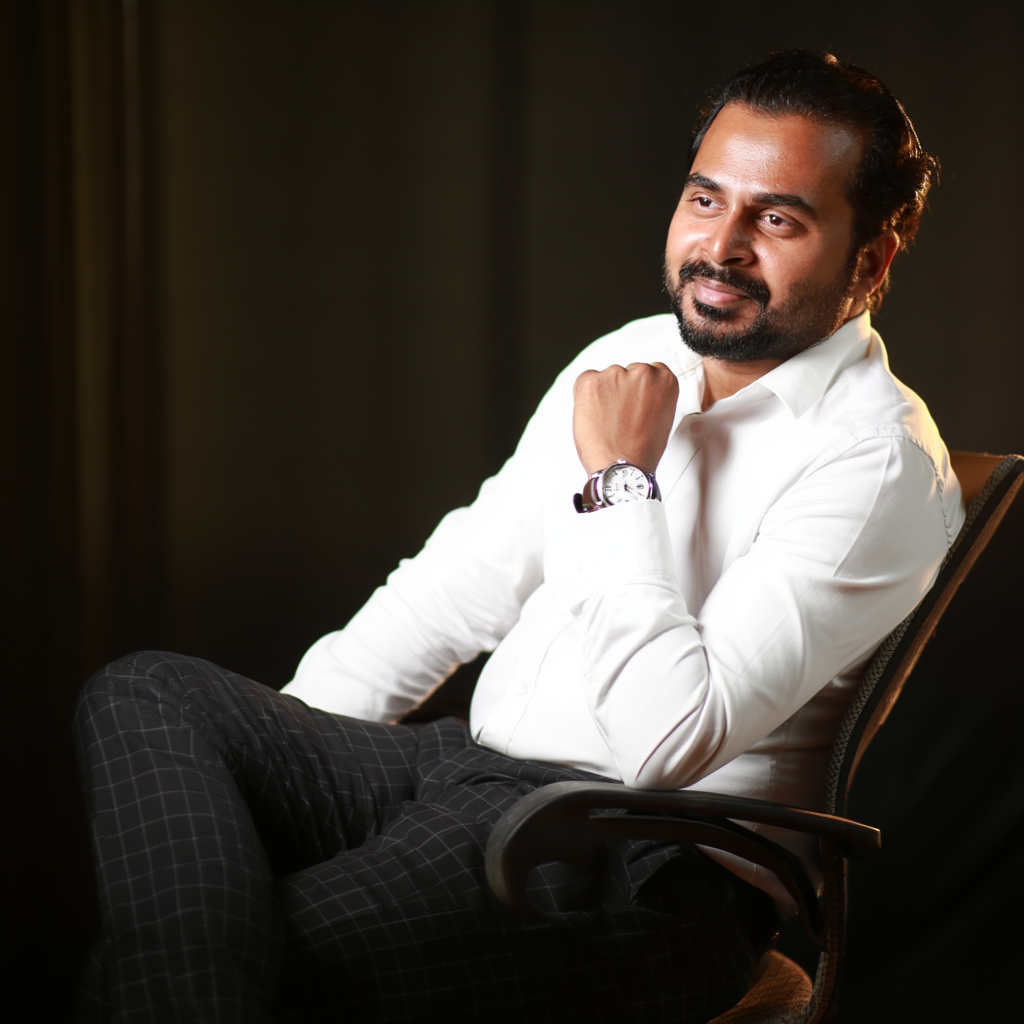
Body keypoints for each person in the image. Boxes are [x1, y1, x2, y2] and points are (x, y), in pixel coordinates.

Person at [74, 50, 964, 1023]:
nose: (722, 245)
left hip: (642, 860)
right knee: (147, 692)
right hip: (461, 776)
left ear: (871, 259)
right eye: (705, 199)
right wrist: (273, 782)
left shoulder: (874, 461)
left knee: (203, 962)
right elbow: (459, 585)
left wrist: (618, 481)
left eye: (778, 219)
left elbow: (667, 744)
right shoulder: (628, 356)